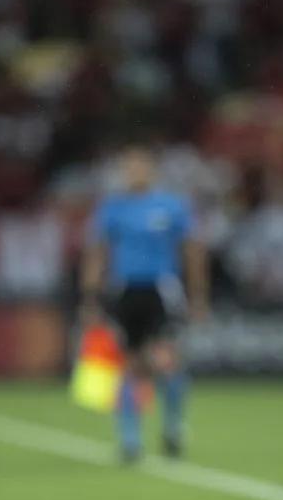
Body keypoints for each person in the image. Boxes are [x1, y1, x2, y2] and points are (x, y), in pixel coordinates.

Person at [80, 145, 209, 462]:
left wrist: (198, 295)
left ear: (151, 171)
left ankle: (172, 427)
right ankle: (129, 440)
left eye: (139, 167)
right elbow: (97, 254)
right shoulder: (111, 208)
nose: (133, 173)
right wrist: (90, 298)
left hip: (160, 289)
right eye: (128, 167)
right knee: (130, 365)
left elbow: (192, 251)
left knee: (165, 360)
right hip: (124, 290)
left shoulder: (172, 205)